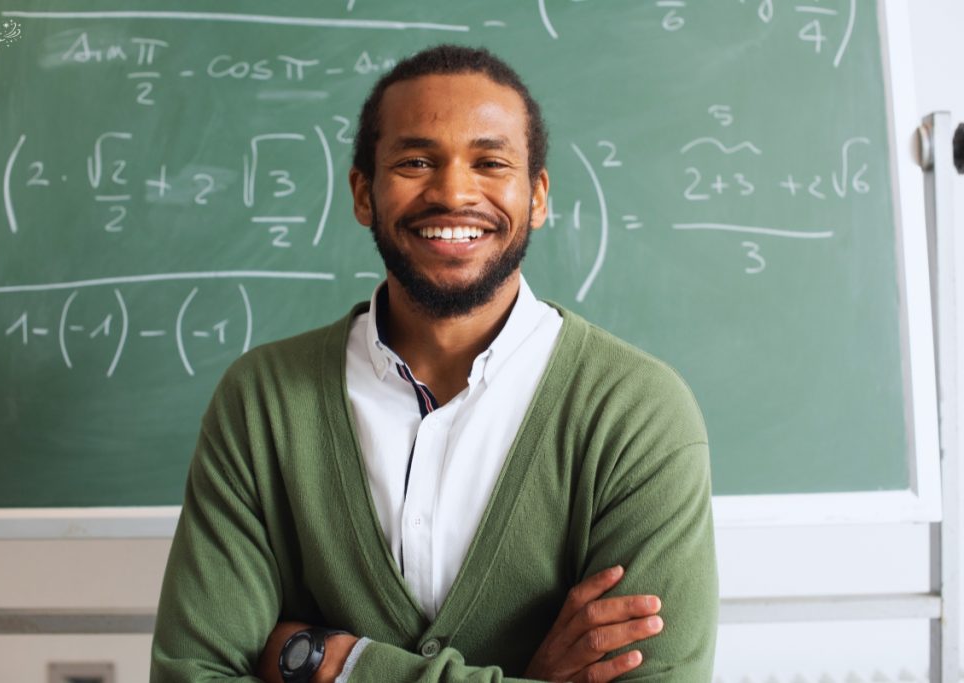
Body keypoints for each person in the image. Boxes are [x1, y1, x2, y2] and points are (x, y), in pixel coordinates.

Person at [151, 44, 717, 683]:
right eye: (416, 161)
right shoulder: (262, 402)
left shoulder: (637, 412)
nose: (453, 191)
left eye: (490, 161)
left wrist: (340, 665)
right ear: (364, 195)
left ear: (537, 197)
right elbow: (191, 674)